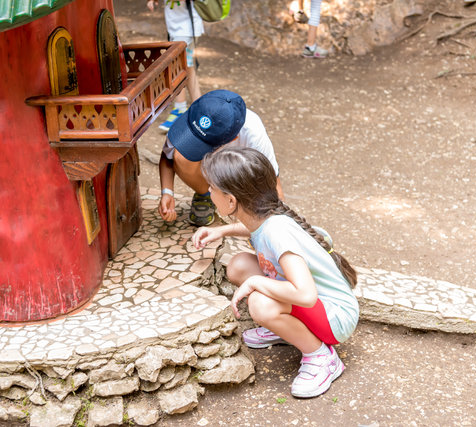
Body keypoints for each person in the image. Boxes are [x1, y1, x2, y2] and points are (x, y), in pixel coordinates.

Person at [191, 147, 359, 398]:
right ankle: (287, 329)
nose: (208, 192)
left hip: (336, 318)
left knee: (261, 304)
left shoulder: (277, 232)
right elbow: (255, 230)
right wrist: (222, 231)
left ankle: (321, 357)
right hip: (319, 306)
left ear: (231, 201)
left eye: (212, 188)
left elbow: (305, 295)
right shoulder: (267, 218)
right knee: (238, 266)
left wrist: (256, 282)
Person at [158, 90, 283, 226]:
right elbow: (167, 156)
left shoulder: (253, 134)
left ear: (233, 138)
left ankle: (233, 201)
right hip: (206, 171)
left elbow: (273, 186)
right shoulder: (198, 113)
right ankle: (205, 195)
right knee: (181, 156)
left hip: (236, 178)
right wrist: (167, 192)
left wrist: (273, 224)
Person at [147, 0, 203, 132]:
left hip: (185, 29)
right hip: (180, 28)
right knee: (187, 68)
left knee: (177, 68)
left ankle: (180, 109)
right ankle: (200, 109)